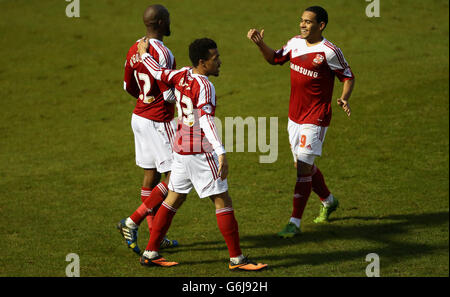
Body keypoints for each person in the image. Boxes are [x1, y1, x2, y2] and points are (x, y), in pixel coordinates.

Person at [132, 37, 268, 271]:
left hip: (180, 148)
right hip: (198, 150)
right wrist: (221, 151)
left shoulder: (181, 74)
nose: (220, 62)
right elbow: (205, 119)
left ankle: (151, 252)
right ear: (203, 62)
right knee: (222, 199)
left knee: (173, 198)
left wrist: (144, 53)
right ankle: (237, 259)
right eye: (216, 59)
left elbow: (158, 73)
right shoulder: (205, 86)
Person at [247, 6, 355, 238]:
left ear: (321, 25)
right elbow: (275, 59)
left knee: (303, 167)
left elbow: (347, 76)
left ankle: (294, 222)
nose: (303, 25)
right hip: (294, 116)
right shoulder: (295, 43)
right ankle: (328, 200)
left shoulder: (329, 51)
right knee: (301, 166)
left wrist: (344, 97)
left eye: (308, 22)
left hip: (316, 116)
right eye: (301, 21)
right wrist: (259, 43)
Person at [117, 4, 178, 255]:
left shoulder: (134, 48)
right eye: (169, 19)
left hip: (139, 117)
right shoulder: (164, 53)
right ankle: (132, 221)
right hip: (159, 121)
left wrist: (145, 98)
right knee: (176, 176)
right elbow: (170, 96)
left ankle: (155, 233)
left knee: (150, 174)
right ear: (162, 22)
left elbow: (127, 86)